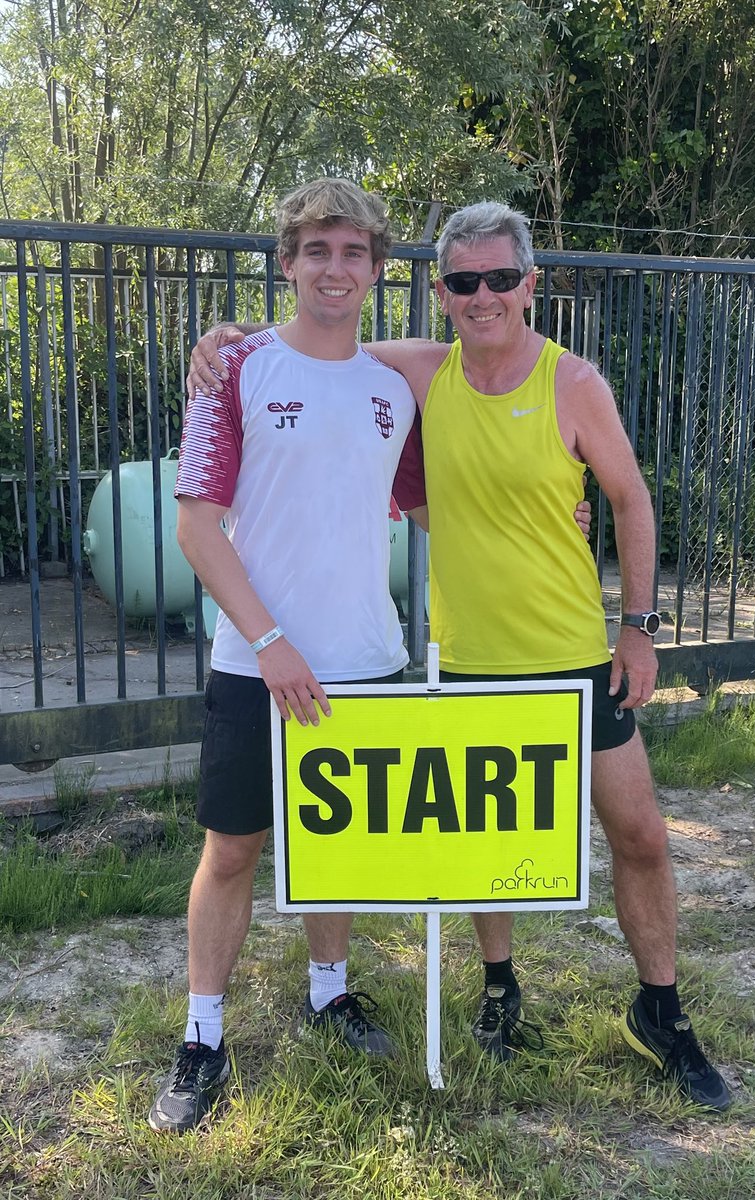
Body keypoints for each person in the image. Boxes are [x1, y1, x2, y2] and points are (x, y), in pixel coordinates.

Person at [188, 200, 731, 1112]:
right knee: (433, 846)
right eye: (464, 281)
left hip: (527, 656)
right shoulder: (379, 371)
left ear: (529, 283)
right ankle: (479, 993)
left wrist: (632, 616)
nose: (484, 297)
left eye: (501, 279)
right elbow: (219, 487)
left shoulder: (537, 383)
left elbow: (600, 500)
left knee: (626, 833)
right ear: (439, 292)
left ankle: (659, 1011)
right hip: (413, 660)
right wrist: (220, 337)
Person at [152, 176, 594, 1134]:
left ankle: (329, 994)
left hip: (365, 663)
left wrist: (558, 514)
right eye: (317, 251)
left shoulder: (398, 388)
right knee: (232, 852)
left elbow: (443, 508)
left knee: (338, 853)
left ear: (379, 270)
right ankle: (201, 1038)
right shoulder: (233, 370)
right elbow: (195, 526)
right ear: (287, 263)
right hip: (253, 664)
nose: (336, 269)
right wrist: (270, 645)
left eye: (354, 253)